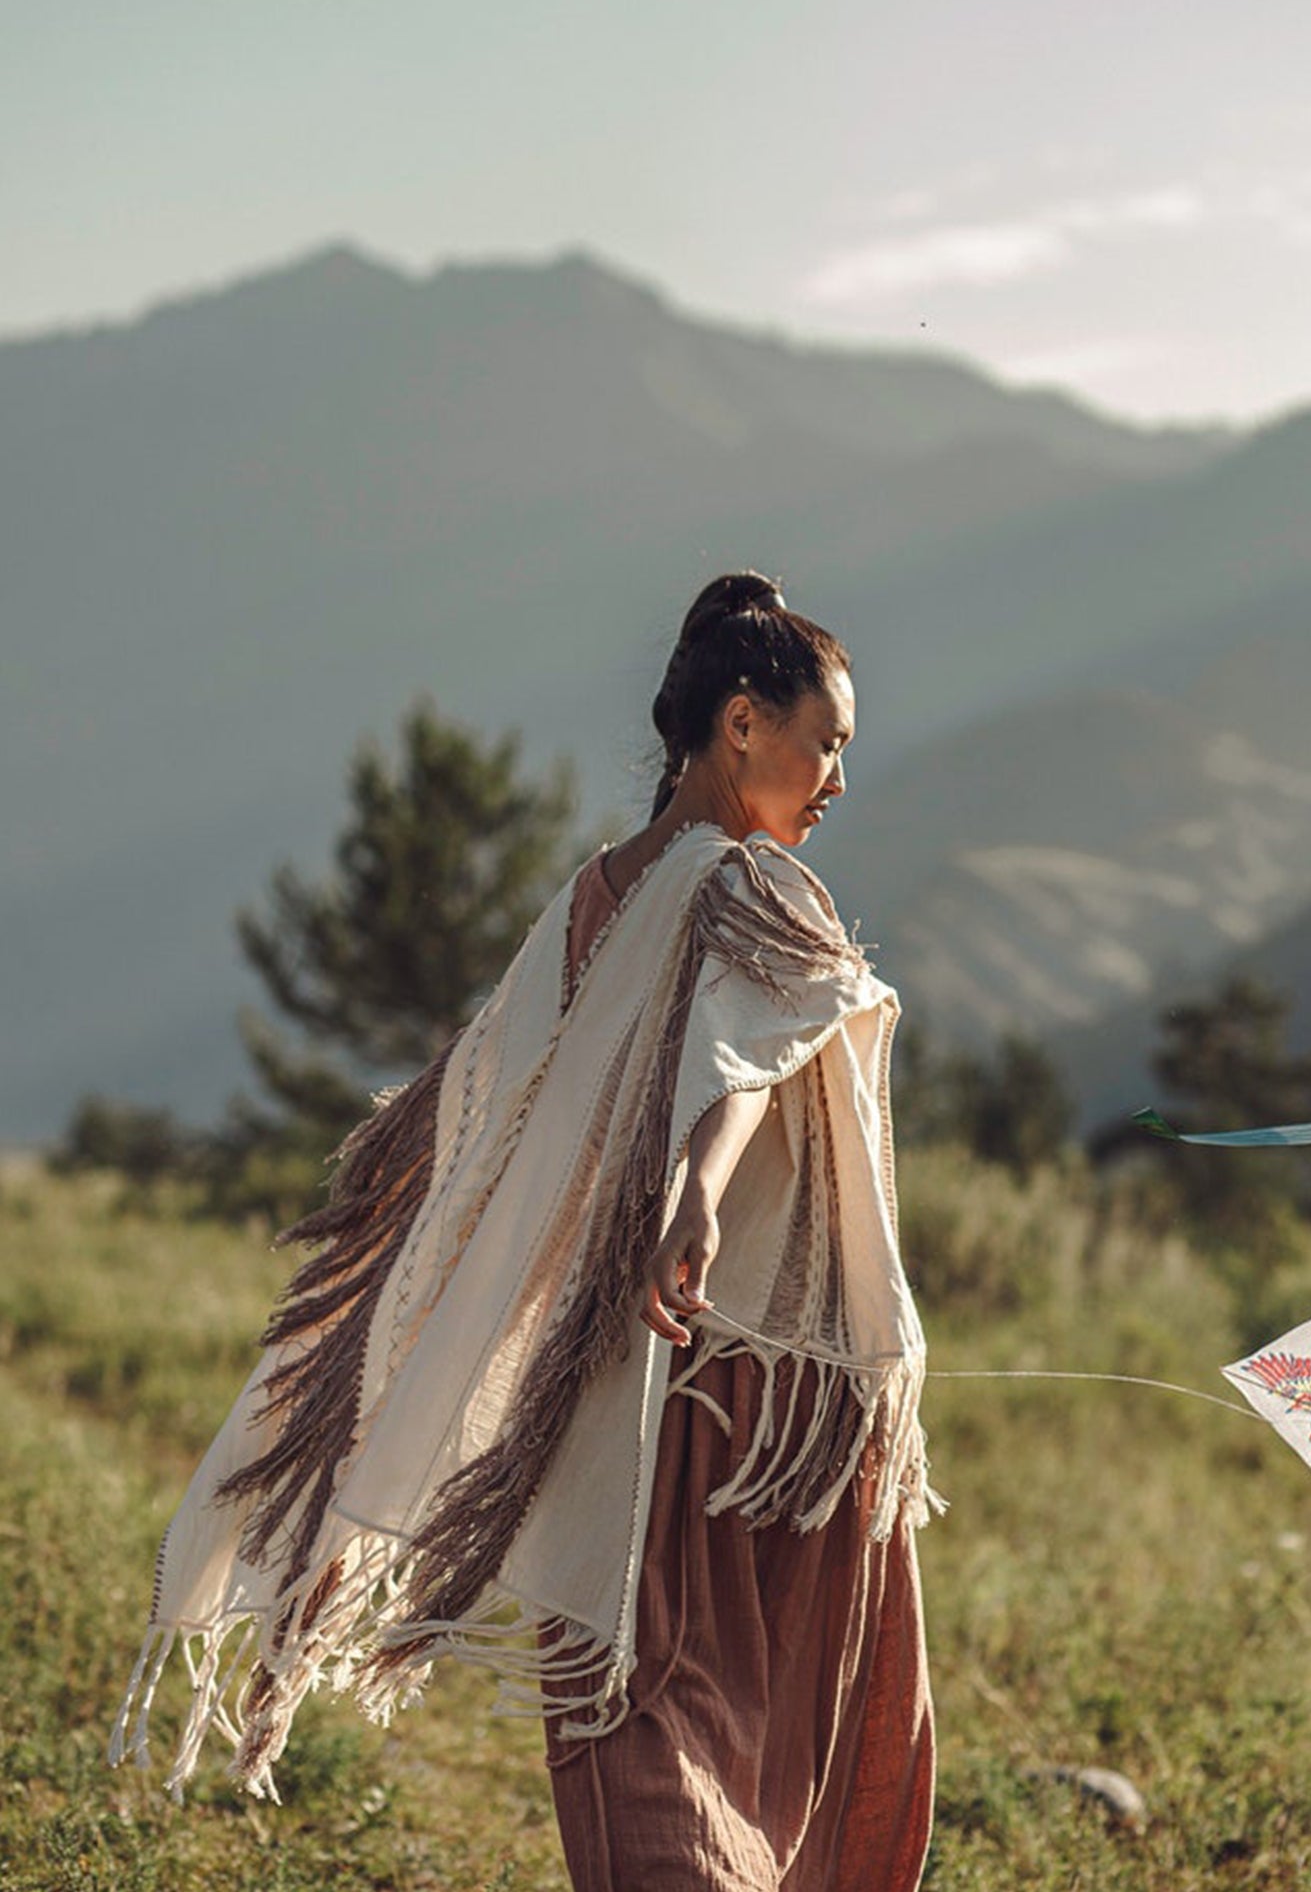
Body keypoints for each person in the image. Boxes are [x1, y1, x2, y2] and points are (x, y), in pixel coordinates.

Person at [110, 572, 938, 1888]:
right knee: (775, 1717)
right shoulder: (751, 889)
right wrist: (695, 1197)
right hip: (749, 1400)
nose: (837, 774)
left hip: (610, 1379)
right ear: (740, 725)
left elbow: (513, 1100)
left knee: (637, 1699)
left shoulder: (600, 894)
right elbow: (743, 1059)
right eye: (824, 739)